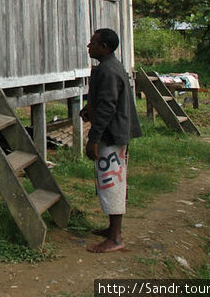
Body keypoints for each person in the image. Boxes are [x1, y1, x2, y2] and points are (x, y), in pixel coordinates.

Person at [81, 28, 143, 253]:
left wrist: (93, 138)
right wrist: (88, 108)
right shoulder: (109, 67)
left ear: (104, 47)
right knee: (111, 181)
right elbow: (103, 101)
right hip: (115, 132)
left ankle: (116, 238)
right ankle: (112, 230)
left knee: (111, 182)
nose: (89, 46)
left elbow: (108, 108)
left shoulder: (108, 71)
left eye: (93, 43)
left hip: (112, 134)